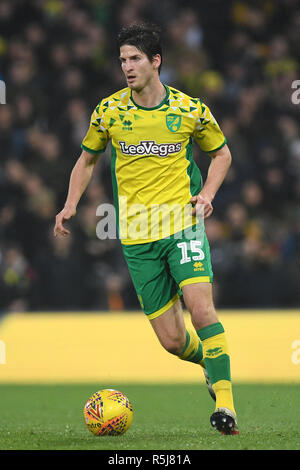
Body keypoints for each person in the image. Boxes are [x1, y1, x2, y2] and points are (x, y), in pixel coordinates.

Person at [54, 22, 238, 435]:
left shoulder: (189, 110)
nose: (127, 67)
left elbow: (222, 155)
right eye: (122, 60)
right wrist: (69, 205)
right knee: (173, 341)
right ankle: (213, 363)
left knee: (201, 306)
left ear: (156, 61)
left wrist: (206, 194)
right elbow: (86, 161)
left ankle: (226, 408)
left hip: (182, 224)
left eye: (135, 58)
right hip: (137, 235)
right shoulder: (109, 111)